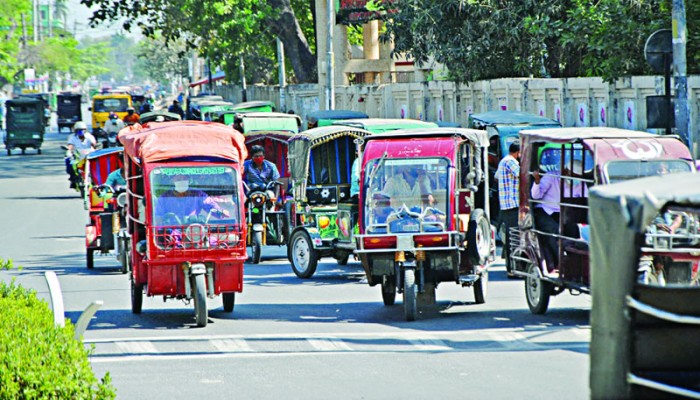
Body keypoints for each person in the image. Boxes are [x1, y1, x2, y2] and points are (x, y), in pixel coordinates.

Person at [155, 174, 226, 225]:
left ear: (189, 180)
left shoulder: (197, 194)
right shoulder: (164, 197)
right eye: (178, 179)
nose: (182, 181)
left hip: (194, 230)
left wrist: (221, 212)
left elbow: (209, 204)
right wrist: (159, 220)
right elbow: (158, 215)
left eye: (184, 179)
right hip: (172, 231)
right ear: (173, 181)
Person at [495, 141, 520, 276]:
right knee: (514, 238)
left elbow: (496, 177)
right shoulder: (511, 162)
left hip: (505, 205)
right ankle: (513, 269)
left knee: (510, 239)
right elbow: (523, 175)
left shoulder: (503, 161)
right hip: (512, 205)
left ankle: (511, 267)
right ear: (518, 152)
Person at [531, 164, 561, 274]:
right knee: (552, 231)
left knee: (573, 230)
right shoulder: (551, 176)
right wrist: (537, 181)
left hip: (562, 212)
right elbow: (536, 195)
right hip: (545, 210)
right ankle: (557, 263)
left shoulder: (578, 181)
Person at [65, 121, 97, 189]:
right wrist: (69, 151)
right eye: (79, 130)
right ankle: (73, 178)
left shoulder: (89, 136)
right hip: (77, 156)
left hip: (88, 156)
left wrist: (94, 145)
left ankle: (95, 180)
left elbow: (94, 145)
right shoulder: (72, 137)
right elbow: (70, 145)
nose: (81, 132)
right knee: (68, 162)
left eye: (82, 130)